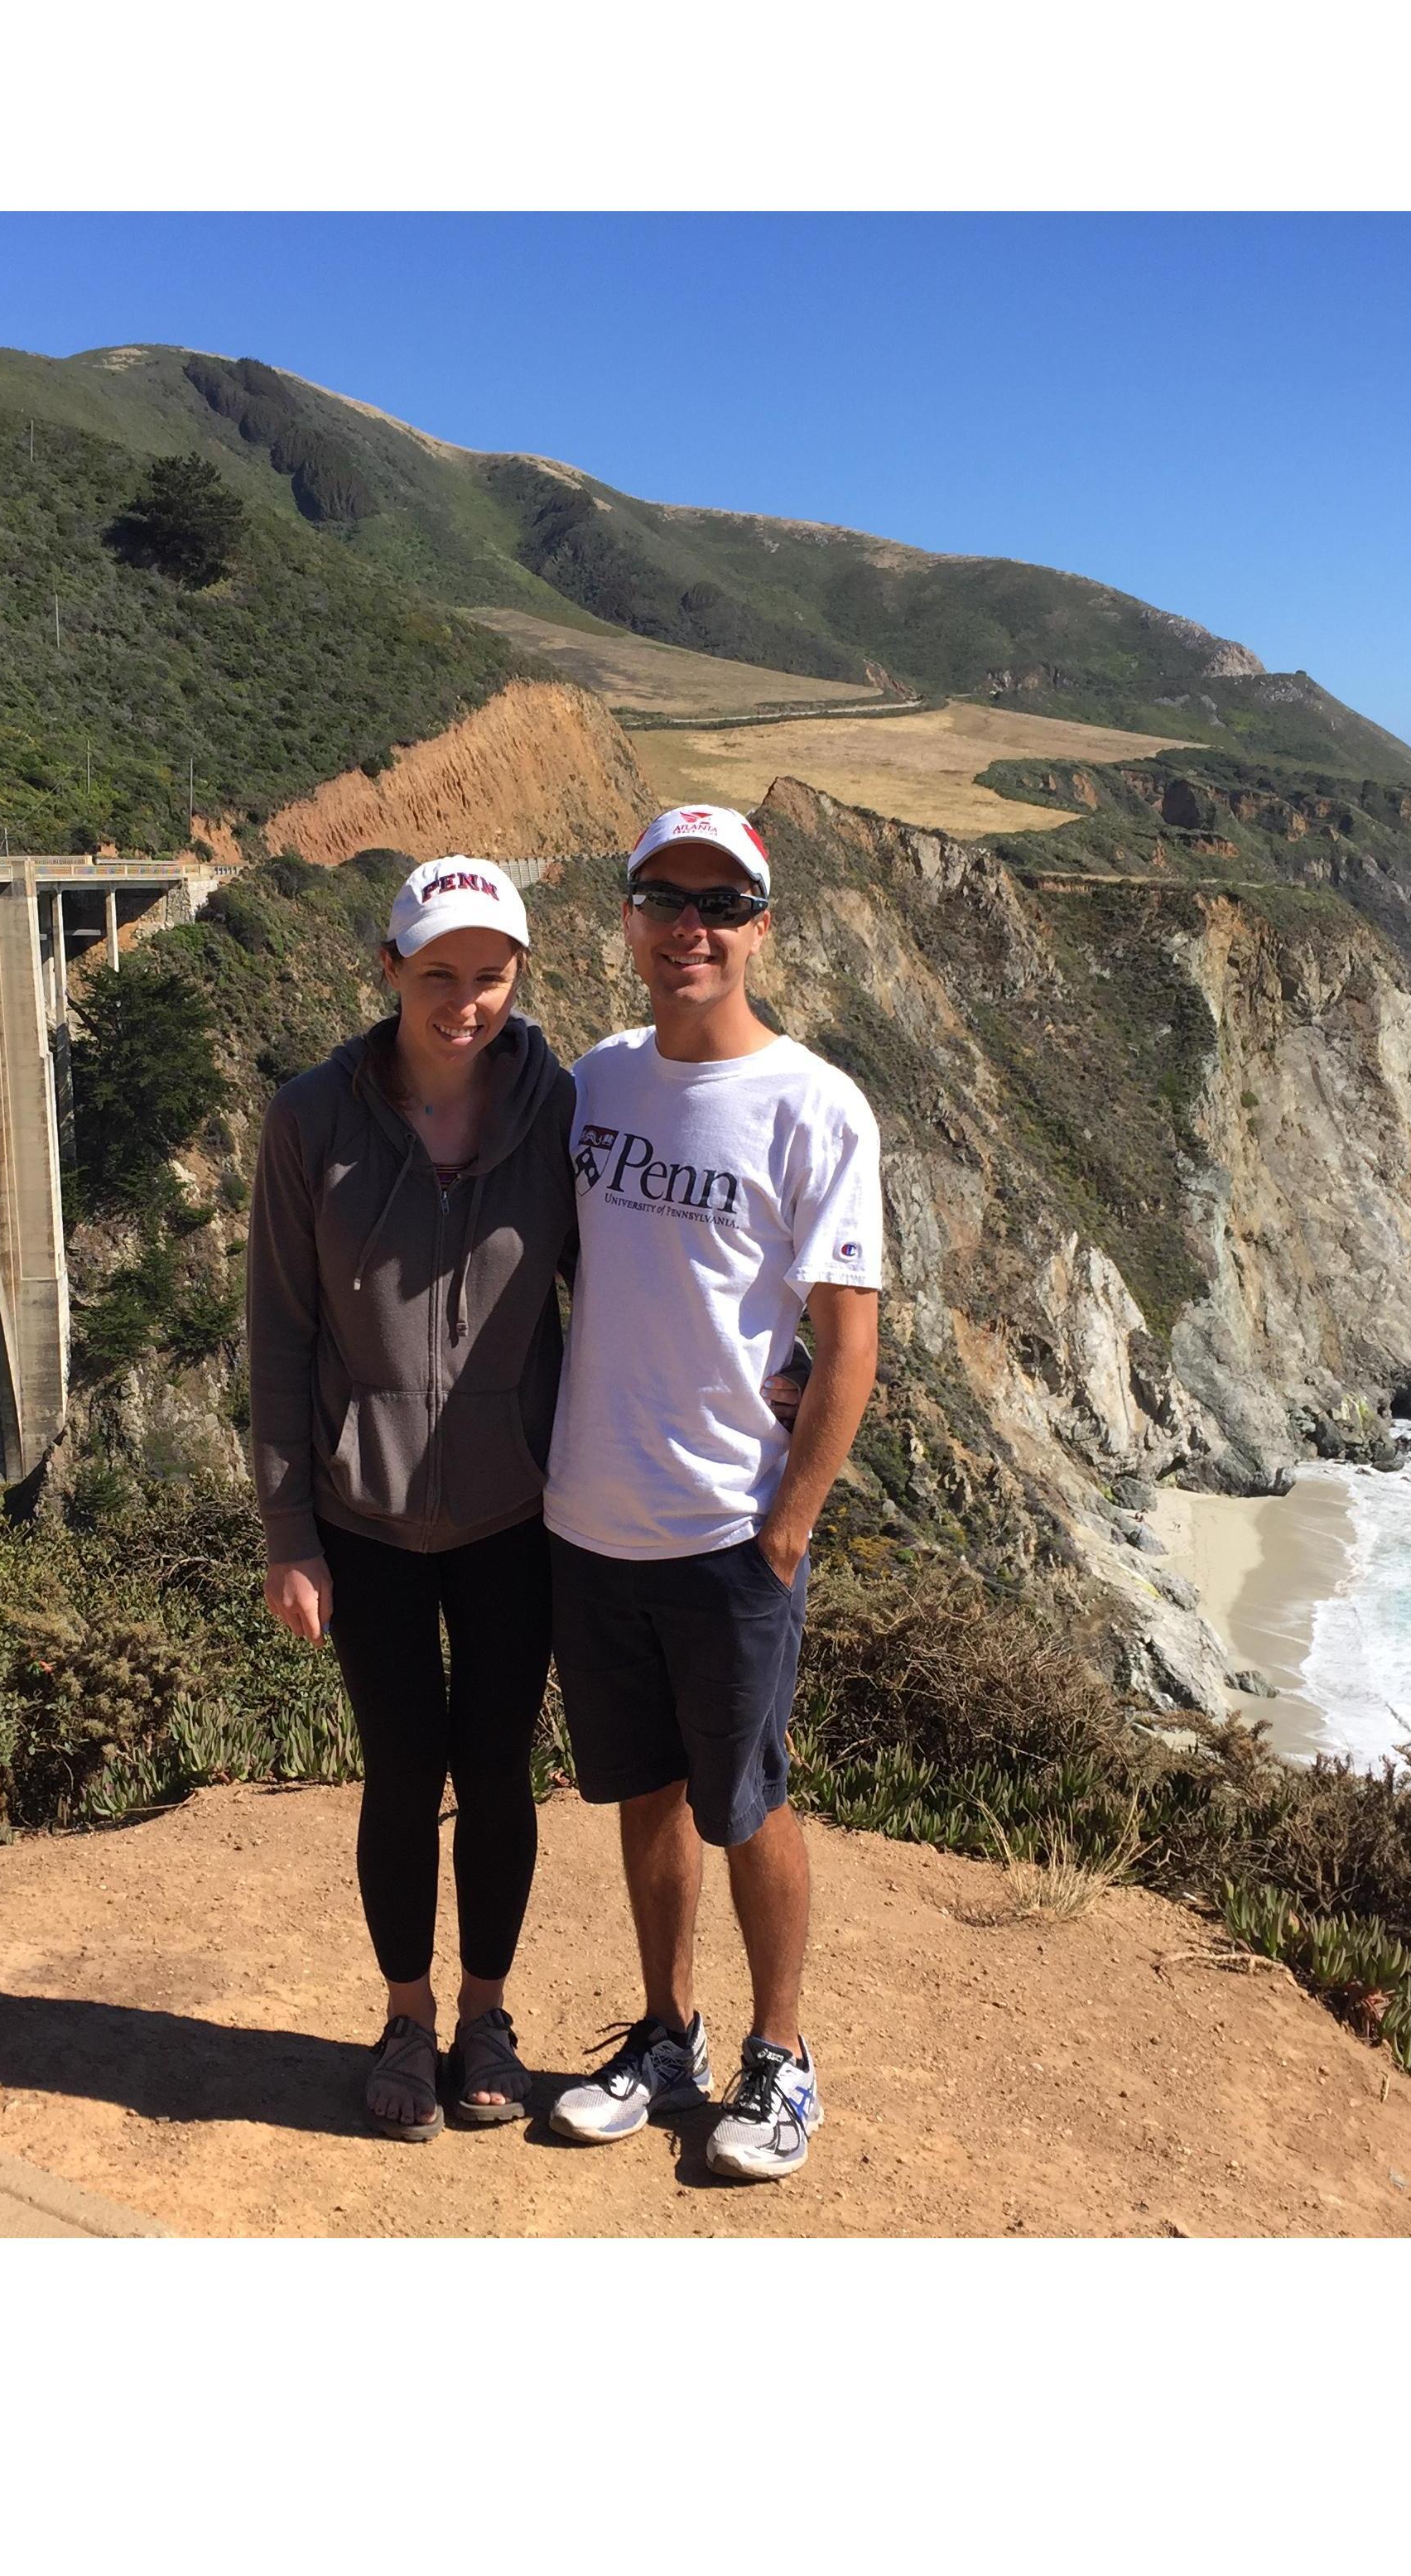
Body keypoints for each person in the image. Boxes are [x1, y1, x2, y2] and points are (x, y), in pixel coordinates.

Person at [543, 804, 883, 2182]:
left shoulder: (814, 1104)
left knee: (746, 1804)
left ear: (759, 929)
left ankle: (781, 2056)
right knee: (644, 1795)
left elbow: (848, 1339)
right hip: (588, 1519)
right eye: (664, 900)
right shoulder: (594, 1083)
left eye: (721, 904)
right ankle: (666, 2037)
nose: (691, 927)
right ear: (629, 920)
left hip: (727, 1531)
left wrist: (786, 1531)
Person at [247, 854, 577, 2140]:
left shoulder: (560, 1113)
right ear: (388, 969)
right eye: (438, 973)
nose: (465, 1002)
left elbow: (632, 1281)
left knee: (496, 1770)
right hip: (363, 1516)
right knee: (400, 1770)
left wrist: (771, 1362)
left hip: (517, 1513)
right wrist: (288, 1531)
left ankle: (486, 2015)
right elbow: (279, 1331)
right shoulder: (310, 1122)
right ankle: (406, 2017)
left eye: (491, 976)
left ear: (520, 975)